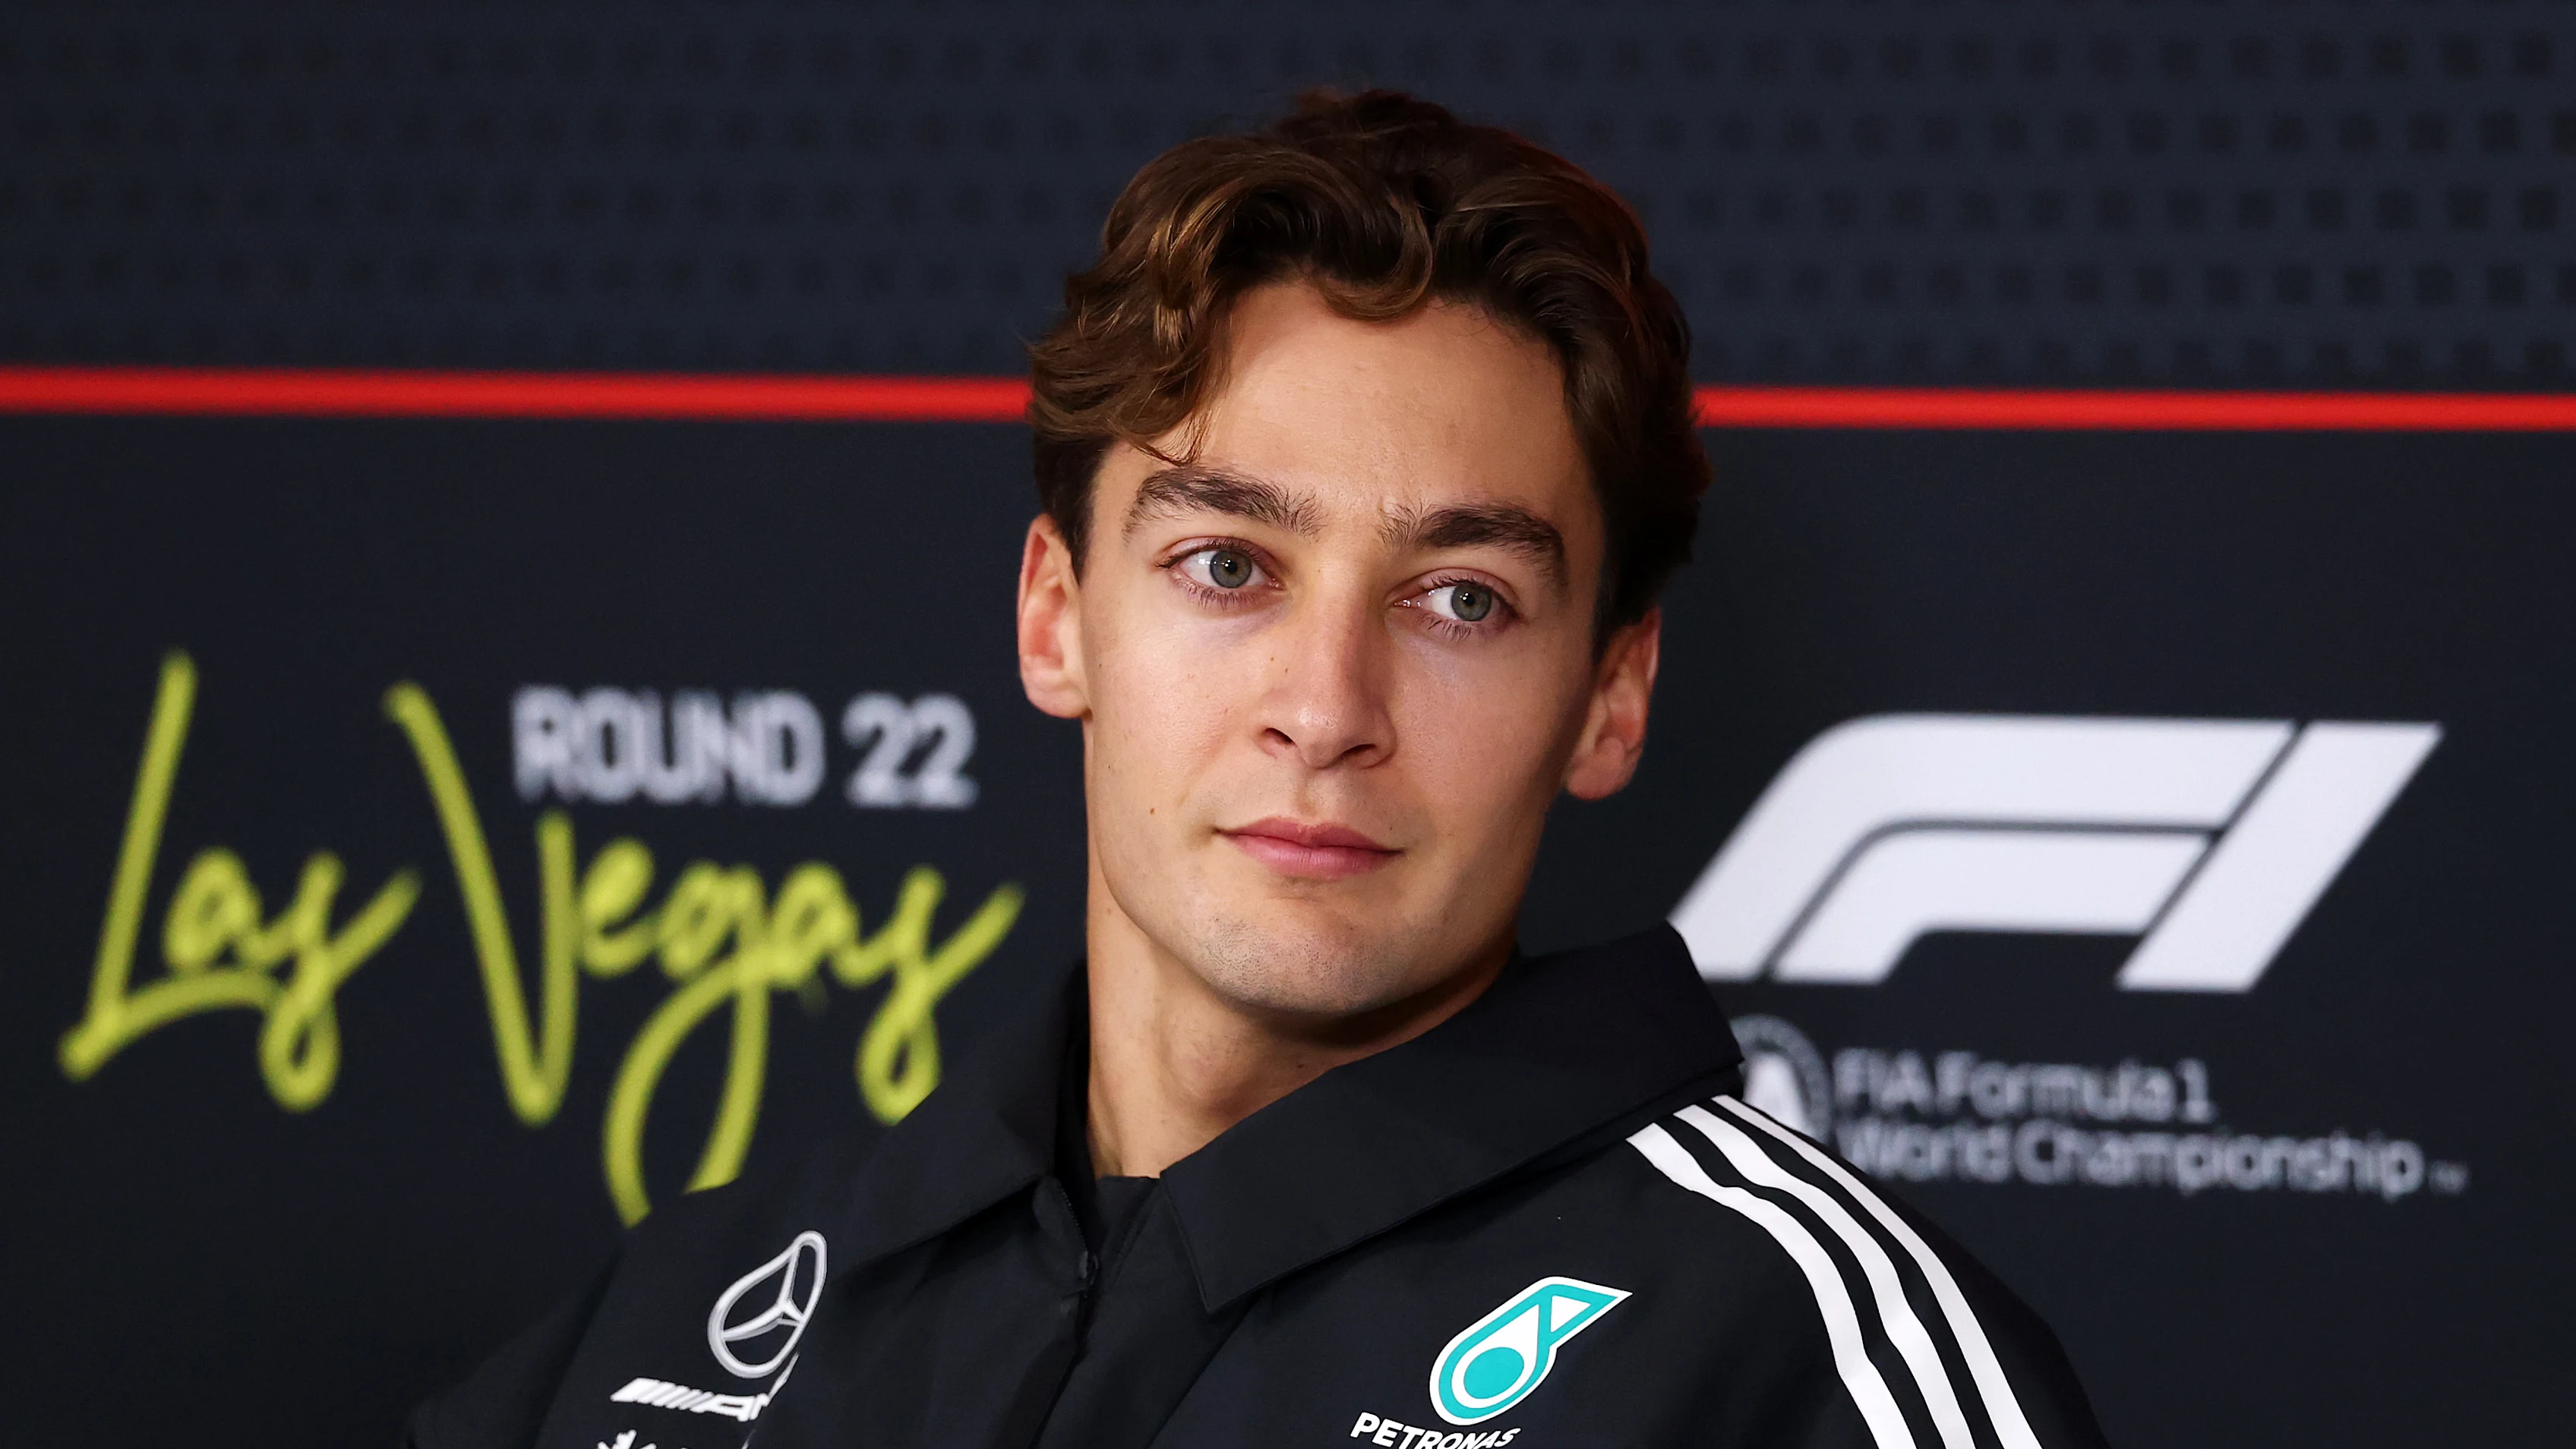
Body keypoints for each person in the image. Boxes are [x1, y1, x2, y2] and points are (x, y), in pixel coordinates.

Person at [409, 89, 2105, 1449]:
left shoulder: (1786, 1361)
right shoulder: (695, 1321)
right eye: (1228, 565)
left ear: (1608, 697)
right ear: (1057, 617)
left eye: (1460, 599)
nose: (1326, 705)